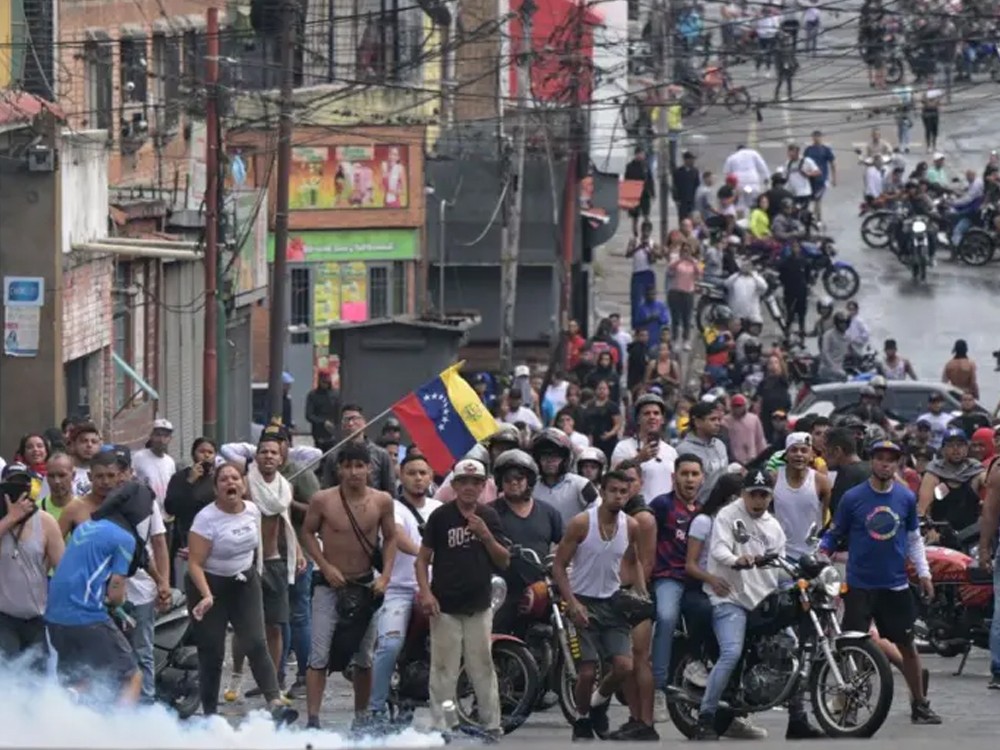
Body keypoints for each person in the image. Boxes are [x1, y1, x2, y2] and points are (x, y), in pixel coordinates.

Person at [820, 440, 942, 725]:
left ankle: (920, 704)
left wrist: (924, 573)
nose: (885, 464)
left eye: (891, 459)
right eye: (880, 458)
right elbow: (834, 534)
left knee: (907, 646)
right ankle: (849, 707)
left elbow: (913, 539)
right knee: (854, 650)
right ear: (871, 461)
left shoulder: (905, 498)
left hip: (895, 585)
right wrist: (821, 556)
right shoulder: (853, 498)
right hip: (859, 585)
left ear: (898, 464)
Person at [694, 470, 822, 739]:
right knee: (731, 653)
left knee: (793, 648)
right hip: (730, 598)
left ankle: (797, 719)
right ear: (744, 493)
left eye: (764, 495)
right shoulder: (728, 515)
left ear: (770, 497)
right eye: (753, 494)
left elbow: (779, 567)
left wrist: (808, 574)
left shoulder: (773, 527)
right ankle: (705, 717)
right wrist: (736, 560)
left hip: (762, 599)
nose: (758, 500)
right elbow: (718, 549)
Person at [184, 462, 297, 723]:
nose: (230, 483)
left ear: (243, 486)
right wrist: (206, 595)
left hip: (244, 581)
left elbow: (257, 547)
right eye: (224, 479)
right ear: (216, 489)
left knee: (256, 642)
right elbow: (194, 564)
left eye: (235, 478)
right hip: (208, 584)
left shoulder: (253, 511)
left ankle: (275, 702)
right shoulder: (206, 519)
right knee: (212, 651)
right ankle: (210, 713)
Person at [416, 458, 509, 737]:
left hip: (479, 605)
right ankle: (443, 724)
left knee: (482, 666)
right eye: (463, 482)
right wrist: (426, 593)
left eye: (475, 482)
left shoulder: (489, 516)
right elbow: (422, 560)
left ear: (483, 487)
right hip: (445, 605)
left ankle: (491, 724)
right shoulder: (441, 516)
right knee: (444, 670)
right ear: (454, 485)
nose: (469, 487)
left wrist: (486, 535)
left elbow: (504, 560)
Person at [44, 470, 152, 705]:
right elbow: (115, 592)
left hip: (54, 616)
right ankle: (122, 727)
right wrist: (120, 606)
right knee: (131, 676)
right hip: (86, 617)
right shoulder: (124, 538)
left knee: (83, 677)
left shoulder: (87, 527)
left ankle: (65, 709)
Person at [553, 470, 640, 741]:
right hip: (581, 600)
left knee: (624, 666)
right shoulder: (582, 523)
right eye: (613, 490)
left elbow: (633, 560)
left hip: (612, 602)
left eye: (623, 492)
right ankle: (581, 720)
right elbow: (558, 566)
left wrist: (641, 594)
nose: (618, 496)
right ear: (602, 492)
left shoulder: (631, 525)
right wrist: (572, 603)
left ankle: (597, 705)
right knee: (588, 671)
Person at [368, 453, 442, 721]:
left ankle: (445, 715)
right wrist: (427, 556)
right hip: (398, 589)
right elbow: (397, 537)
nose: (418, 478)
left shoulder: (439, 508)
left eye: (423, 473)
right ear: (400, 475)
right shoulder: (392, 508)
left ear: (431, 476)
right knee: (390, 645)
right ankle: (375, 708)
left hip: (434, 589)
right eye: (412, 473)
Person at [648, 455, 705, 723]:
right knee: (667, 617)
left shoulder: (704, 512)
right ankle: (658, 689)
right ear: (674, 477)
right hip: (667, 577)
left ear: (702, 478)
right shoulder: (662, 505)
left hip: (696, 581)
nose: (689, 479)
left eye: (695, 474)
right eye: (685, 474)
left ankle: (697, 669)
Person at [609, 459, 658, 740]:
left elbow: (645, 562)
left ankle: (646, 722)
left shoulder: (643, 518)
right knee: (622, 660)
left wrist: (637, 596)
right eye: (619, 482)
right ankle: (635, 718)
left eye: (630, 481)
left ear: (639, 483)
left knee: (639, 659)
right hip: (613, 593)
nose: (624, 487)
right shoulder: (613, 514)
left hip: (633, 593)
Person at [488, 449, 562, 634]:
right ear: (500, 481)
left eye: (519, 478)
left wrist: (555, 561)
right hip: (502, 592)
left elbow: (564, 544)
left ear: (529, 480)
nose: (513, 483)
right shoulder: (489, 513)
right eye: (507, 479)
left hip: (541, 589)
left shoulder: (548, 512)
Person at [0, 463, 64, 663]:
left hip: (36, 618)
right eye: (12, 486)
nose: (18, 492)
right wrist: (10, 519)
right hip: (3, 618)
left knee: (38, 676)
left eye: (23, 486)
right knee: (7, 675)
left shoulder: (46, 521)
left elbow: (63, 570)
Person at [164, 438, 218, 587]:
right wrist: (189, 482)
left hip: (213, 539)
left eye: (210, 452)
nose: (206, 455)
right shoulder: (180, 478)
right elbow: (170, 508)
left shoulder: (218, 479)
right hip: (185, 537)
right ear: (193, 454)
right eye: (202, 451)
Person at [917, 428, 986, 543]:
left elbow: (991, 485)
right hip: (939, 536)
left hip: (971, 536)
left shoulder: (975, 470)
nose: (956, 449)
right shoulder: (933, 473)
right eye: (950, 445)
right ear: (943, 449)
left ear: (967, 448)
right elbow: (923, 510)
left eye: (960, 445)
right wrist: (930, 531)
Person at [771, 433, 831, 558]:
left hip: (812, 554)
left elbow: (824, 516)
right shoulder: (774, 479)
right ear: (786, 454)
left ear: (811, 455)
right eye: (794, 450)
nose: (799, 454)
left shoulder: (821, 481)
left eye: (804, 450)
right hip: (781, 553)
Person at [612, 393, 679, 500]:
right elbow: (614, 478)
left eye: (656, 413)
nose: (652, 417)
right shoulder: (623, 447)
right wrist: (639, 459)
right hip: (636, 508)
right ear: (638, 419)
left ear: (662, 419)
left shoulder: (671, 452)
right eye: (647, 413)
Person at [320, 404, 397, 492]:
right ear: (342, 425)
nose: (350, 423)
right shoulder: (333, 456)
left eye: (355, 418)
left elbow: (391, 490)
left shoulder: (381, 454)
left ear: (364, 422)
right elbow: (327, 489)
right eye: (346, 420)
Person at [676, 401, 730, 504]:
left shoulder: (720, 445)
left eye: (718, 419)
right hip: (696, 507)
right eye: (712, 419)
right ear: (697, 422)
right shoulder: (684, 450)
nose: (718, 423)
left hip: (722, 506)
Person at [131, 419, 176, 514]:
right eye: (158, 435)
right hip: (146, 512)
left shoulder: (170, 462)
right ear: (151, 436)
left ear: (170, 439)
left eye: (165, 436)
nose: (161, 440)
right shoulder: (139, 457)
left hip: (165, 514)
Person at [825, 427, 871, 517]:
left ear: (837, 451)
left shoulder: (846, 474)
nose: (824, 456)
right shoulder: (873, 469)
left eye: (825, 451)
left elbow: (838, 511)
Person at [627, 221, 658, 328]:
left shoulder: (653, 243)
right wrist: (639, 247)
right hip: (637, 274)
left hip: (648, 273)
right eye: (644, 230)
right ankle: (636, 325)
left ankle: (649, 323)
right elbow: (628, 254)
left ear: (650, 231)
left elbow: (654, 260)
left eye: (648, 231)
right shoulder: (634, 241)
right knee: (636, 301)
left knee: (650, 299)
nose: (645, 233)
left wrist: (649, 249)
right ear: (641, 230)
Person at [723, 394, 767, 466]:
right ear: (731, 407)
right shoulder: (725, 421)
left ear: (744, 406)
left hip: (752, 457)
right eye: (735, 406)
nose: (737, 408)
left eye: (739, 406)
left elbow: (760, 439)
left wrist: (763, 456)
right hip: (734, 460)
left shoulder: (754, 419)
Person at [305, 369, 341, 453]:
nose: (326, 384)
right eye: (324, 382)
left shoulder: (336, 394)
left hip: (334, 431)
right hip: (319, 433)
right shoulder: (313, 395)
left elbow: (339, 411)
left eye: (327, 382)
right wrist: (323, 422)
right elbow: (309, 415)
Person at [625, 147, 655, 236]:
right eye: (640, 154)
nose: (641, 156)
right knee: (635, 216)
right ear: (636, 154)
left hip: (645, 194)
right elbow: (627, 181)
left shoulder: (646, 165)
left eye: (643, 154)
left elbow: (650, 180)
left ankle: (646, 232)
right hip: (634, 195)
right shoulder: (630, 166)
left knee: (646, 215)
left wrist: (652, 193)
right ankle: (635, 233)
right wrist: (627, 197)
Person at [39, 451, 75, 523]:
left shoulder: (83, 509)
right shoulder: (37, 509)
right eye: (51, 476)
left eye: (62, 475)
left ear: (73, 476)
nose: (57, 481)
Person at [673, 151, 701, 222]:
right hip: (682, 200)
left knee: (693, 219)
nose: (693, 161)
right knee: (683, 219)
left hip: (692, 200)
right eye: (691, 159)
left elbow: (697, 185)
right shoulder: (678, 172)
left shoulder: (695, 171)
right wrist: (676, 199)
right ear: (686, 160)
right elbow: (675, 186)